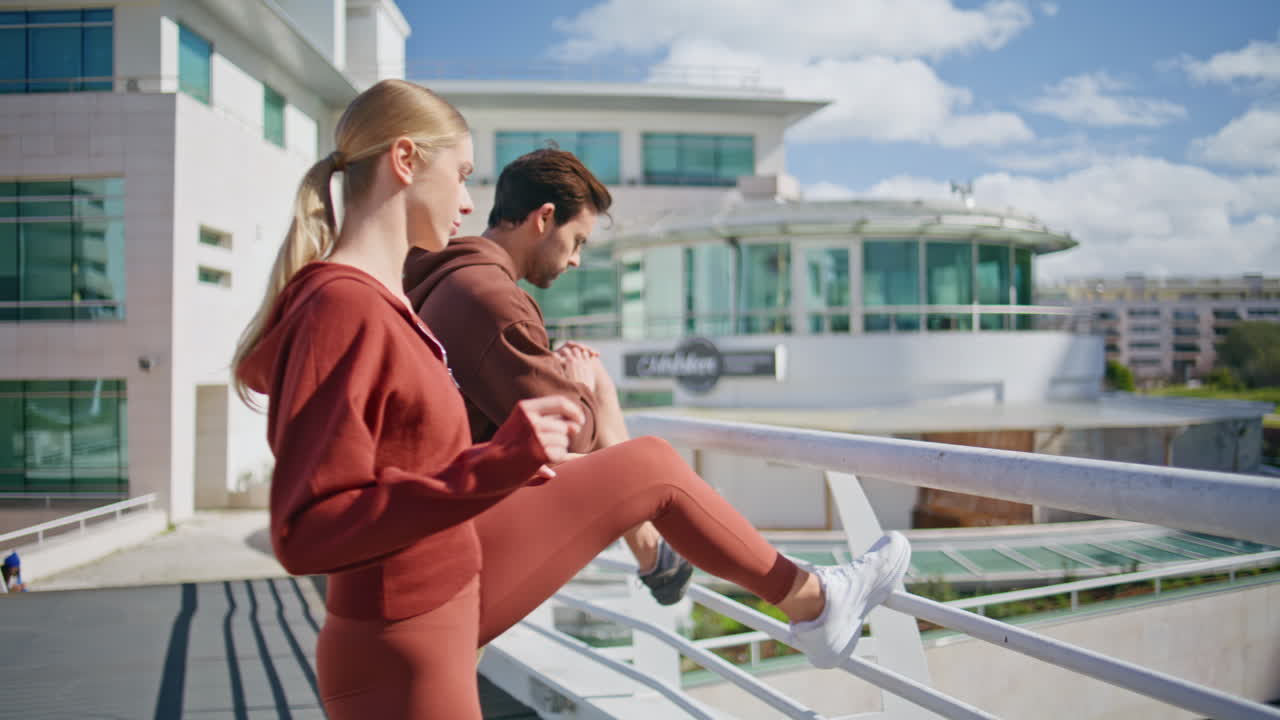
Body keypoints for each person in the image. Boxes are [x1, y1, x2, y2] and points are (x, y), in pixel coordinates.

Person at [232, 78, 910, 719]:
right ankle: (812, 602)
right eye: (463, 176)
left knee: (647, 466)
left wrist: (511, 461)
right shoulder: (343, 305)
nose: (468, 204)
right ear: (406, 160)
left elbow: (404, 462)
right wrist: (501, 461)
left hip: (433, 604)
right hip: (403, 638)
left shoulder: (383, 299)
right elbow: (306, 529)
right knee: (647, 465)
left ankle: (811, 600)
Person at [404, 148, 693, 605]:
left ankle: (652, 553)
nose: (576, 260)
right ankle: (655, 553)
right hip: (456, 544)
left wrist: (562, 376)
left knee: (594, 387)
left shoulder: (447, 279)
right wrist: (577, 383)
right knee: (636, 445)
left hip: (439, 517)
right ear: (544, 218)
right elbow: (569, 440)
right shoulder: (491, 298)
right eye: (577, 241)